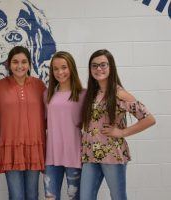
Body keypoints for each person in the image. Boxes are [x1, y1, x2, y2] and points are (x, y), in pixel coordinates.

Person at [80, 49, 156, 200]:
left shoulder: (119, 93)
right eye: (94, 66)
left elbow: (149, 119)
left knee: (118, 197)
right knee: (85, 197)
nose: (98, 69)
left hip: (112, 155)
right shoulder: (91, 93)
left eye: (103, 65)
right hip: (90, 155)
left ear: (111, 67)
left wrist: (122, 132)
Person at [0, 46, 46, 200]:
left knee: (32, 195)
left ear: (29, 64)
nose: (20, 66)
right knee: (16, 196)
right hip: (11, 148)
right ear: (9, 64)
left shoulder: (40, 86)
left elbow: (50, 116)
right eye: (15, 62)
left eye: (24, 62)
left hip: (34, 147)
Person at [43, 51, 86, 200]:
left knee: (75, 197)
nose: (60, 72)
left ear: (71, 68)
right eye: (56, 68)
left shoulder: (83, 94)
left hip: (74, 155)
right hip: (51, 156)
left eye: (64, 67)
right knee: (50, 197)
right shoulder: (47, 94)